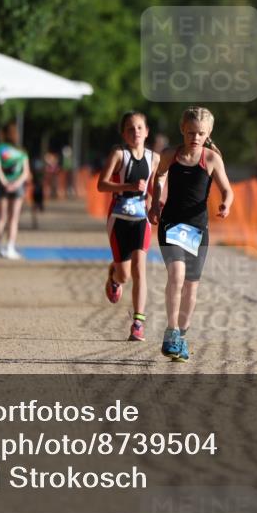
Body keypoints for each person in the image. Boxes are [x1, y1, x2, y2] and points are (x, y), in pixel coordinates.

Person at [149, 107, 234, 362]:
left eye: (200, 133)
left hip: (198, 229)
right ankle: (171, 331)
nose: (195, 137)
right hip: (171, 225)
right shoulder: (170, 155)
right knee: (176, 275)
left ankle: (182, 335)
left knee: (191, 287)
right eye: (190, 132)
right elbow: (158, 176)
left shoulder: (211, 159)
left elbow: (227, 189)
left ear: (208, 133)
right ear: (182, 130)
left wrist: (226, 204)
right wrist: (155, 203)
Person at [98, 112, 160, 342]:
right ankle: (114, 276)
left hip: (141, 219)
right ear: (124, 134)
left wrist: (157, 205)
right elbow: (101, 185)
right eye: (131, 129)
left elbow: (155, 188)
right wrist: (128, 186)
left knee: (139, 269)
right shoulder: (119, 154)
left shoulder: (154, 158)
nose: (136, 132)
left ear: (147, 131)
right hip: (118, 217)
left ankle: (138, 323)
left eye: (140, 128)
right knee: (124, 276)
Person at [0, 122, 30, 259]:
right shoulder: (21, 151)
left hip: (3, 185)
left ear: (4, 134)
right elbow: (25, 172)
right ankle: (10, 247)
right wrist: (16, 184)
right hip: (17, 186)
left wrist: (4, 182)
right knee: (13, 218)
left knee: (1, 217)